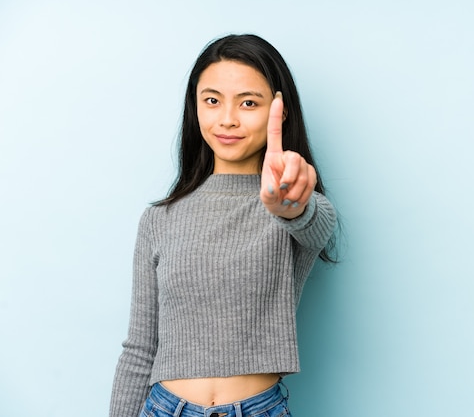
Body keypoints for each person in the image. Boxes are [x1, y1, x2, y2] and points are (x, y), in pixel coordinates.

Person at [109, 34, 338, 417]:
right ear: (195, 107)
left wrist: (289, 206)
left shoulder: (294, 204)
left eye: (248, 103)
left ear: (278, 112)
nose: (227, 118)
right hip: (163, 408)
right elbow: (140, 350)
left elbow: (316, 224)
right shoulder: (159, 218)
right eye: (212, 100)